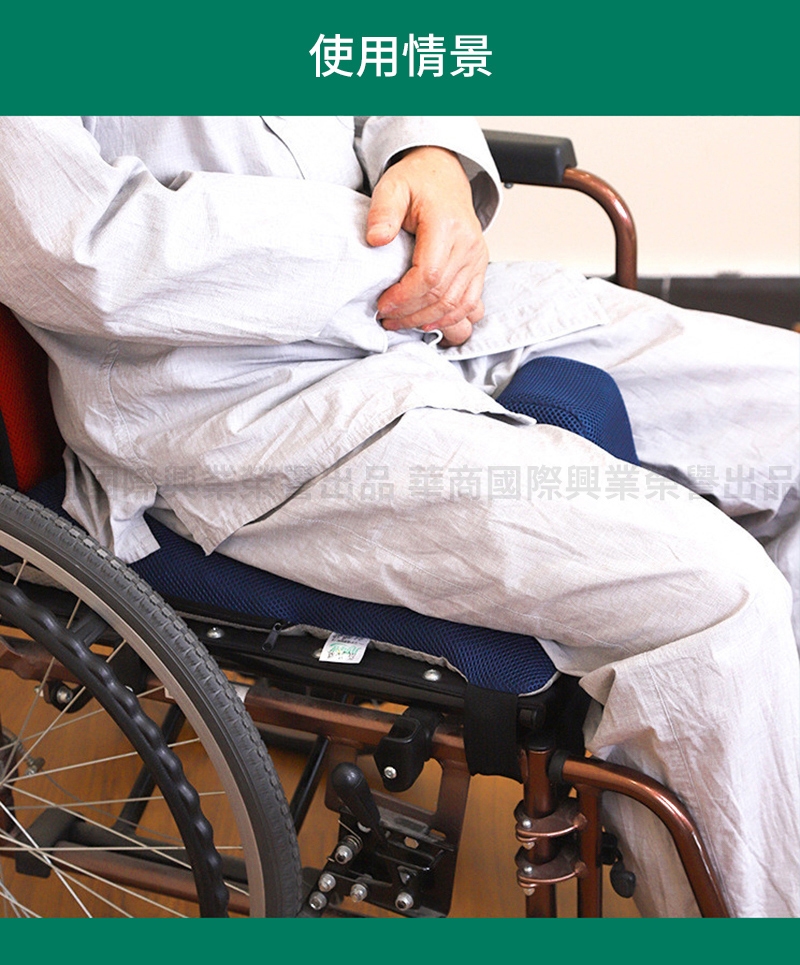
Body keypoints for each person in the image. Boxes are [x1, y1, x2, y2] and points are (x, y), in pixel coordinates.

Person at [0, 116, 798, 917]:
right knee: (717, 600)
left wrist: (433, 161)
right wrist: (385, 242)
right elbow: (77, 249)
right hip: (244, 406)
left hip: (439, 309)